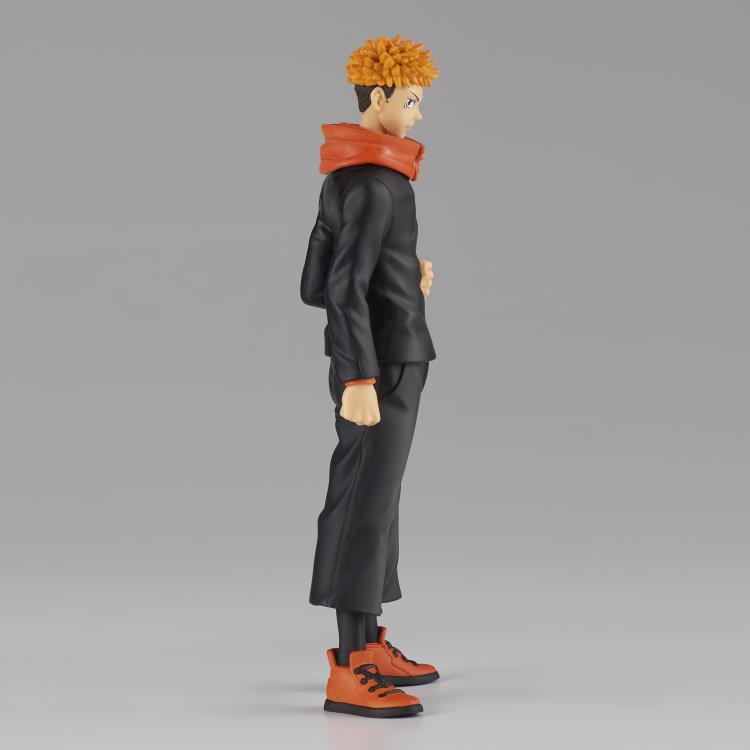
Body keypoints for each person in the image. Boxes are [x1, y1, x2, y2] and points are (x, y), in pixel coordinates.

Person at [300, 34, 440, 718]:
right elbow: (341, 289)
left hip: (388, 355)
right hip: (381, 366)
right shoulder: (379, 184)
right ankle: (350, 666)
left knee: (378, 499)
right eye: (410, 101)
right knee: (362, 503)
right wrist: (358, 378)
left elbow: (314, 283)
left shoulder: (343, 176)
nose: (417, 114)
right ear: (378, 96)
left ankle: (371, 643)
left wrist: (406, 282)